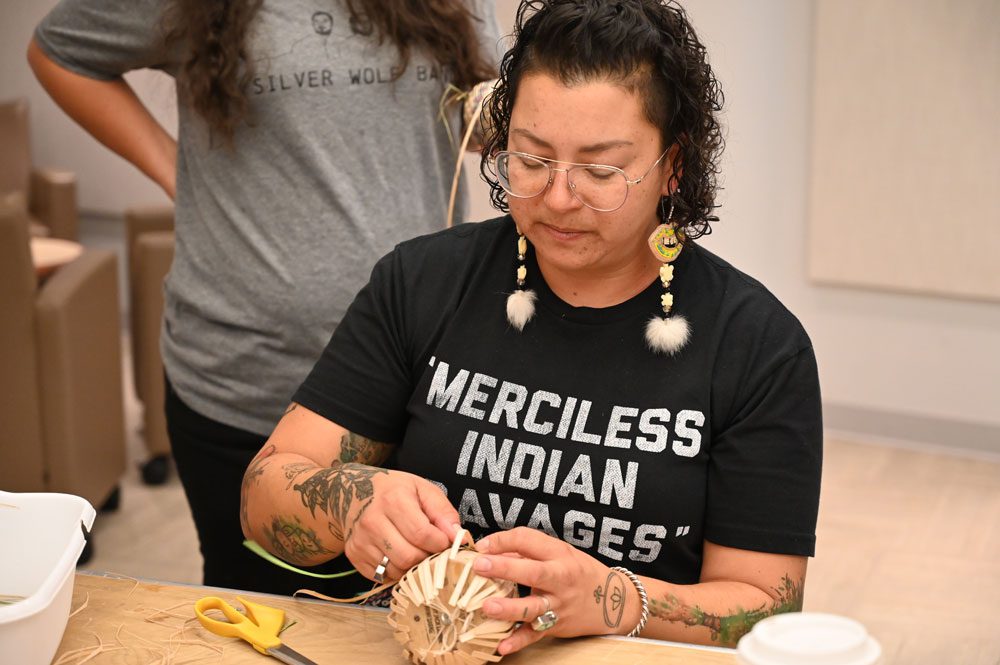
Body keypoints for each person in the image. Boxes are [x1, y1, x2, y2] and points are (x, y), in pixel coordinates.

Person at [242, 0, 822, 651]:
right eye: (532, 158)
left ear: (674, 166)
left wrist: (610, 598)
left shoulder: (757, 346)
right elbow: (262, 497)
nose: (558, 197)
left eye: (601, 170)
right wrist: (348, 501)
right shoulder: (423, 283)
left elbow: (766, 605)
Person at [29, 0, 500, 595]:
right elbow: (59, 52)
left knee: (422, 617)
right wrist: (175, 170)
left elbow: (478, 122)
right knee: (257, 608)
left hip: (415, 379)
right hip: (246, 375)